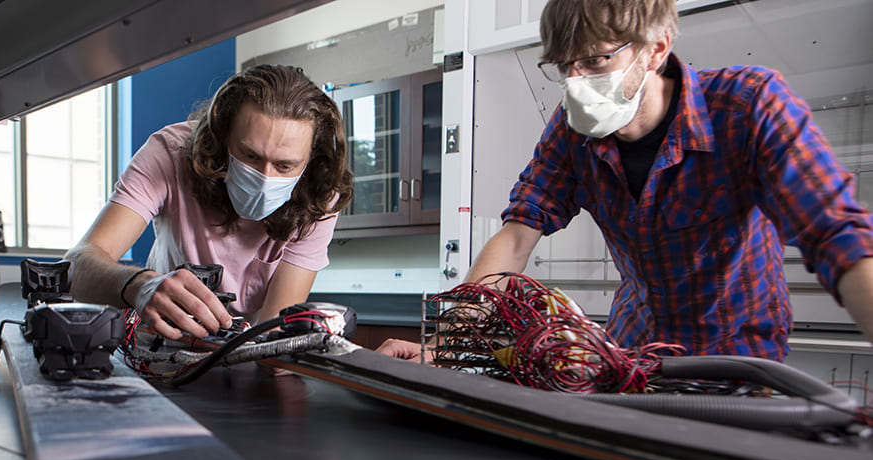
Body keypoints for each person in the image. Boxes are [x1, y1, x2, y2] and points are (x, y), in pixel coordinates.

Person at [380, 0, 873, 362]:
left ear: (656, 48)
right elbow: (516, 235)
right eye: (563, 65)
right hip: (632, 357)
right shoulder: (573, 131)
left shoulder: (749, 105)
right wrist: (443, 348)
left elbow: (838, 237)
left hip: (738, 366)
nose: (576, 81)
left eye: (595, 61)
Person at [65, 64, 353, 341]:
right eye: (250, 156)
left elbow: (271, 334)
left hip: (244, 350)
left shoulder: (320, 194)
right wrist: (139, 285)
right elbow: (77, 266)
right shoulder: (170, 153)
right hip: (158, 340)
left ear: (311, 160)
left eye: (285, 166)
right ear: (223, 136)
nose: (265, 178)